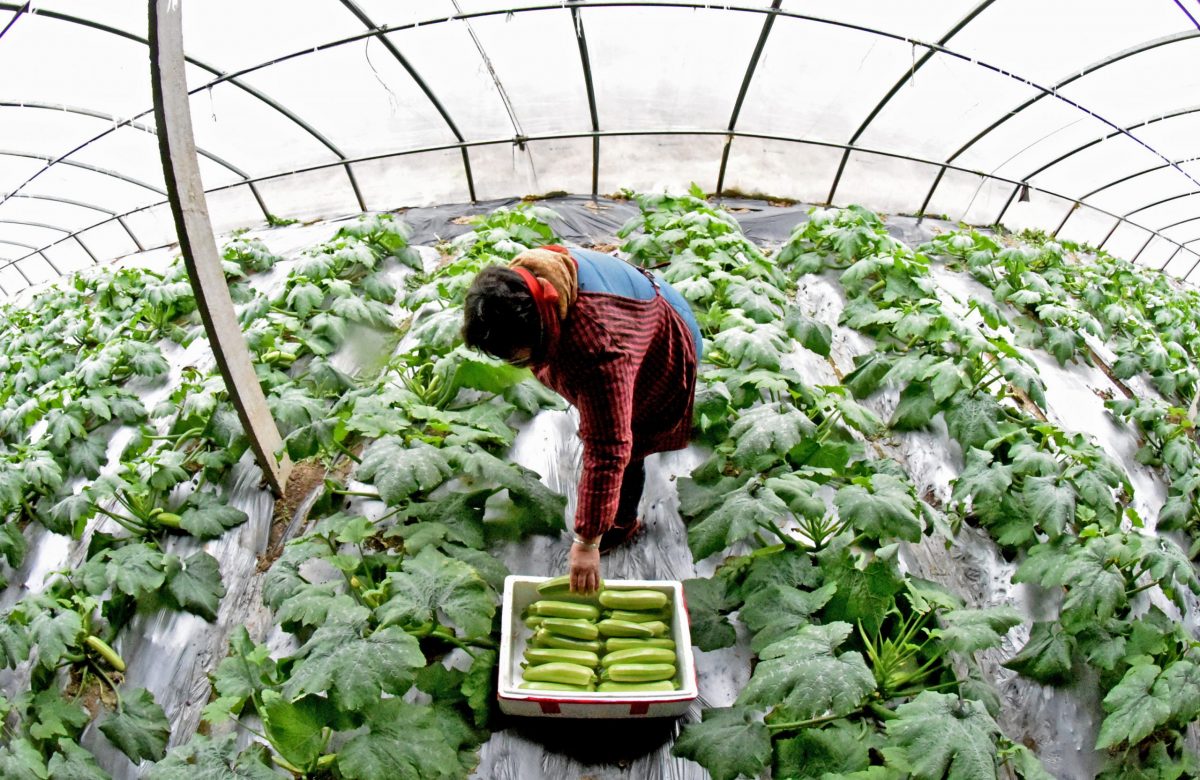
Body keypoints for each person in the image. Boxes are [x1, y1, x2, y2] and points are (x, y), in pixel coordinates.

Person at [461, 244, 701, 593]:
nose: (516, 366)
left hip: (665, 343)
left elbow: (610, 448)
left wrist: (587, 541)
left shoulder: (597, 350)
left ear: (542, 329)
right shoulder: (527, 280)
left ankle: (623, 523)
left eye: (516, 358)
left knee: (630, 443)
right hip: (641, 309)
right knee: (609, 415)